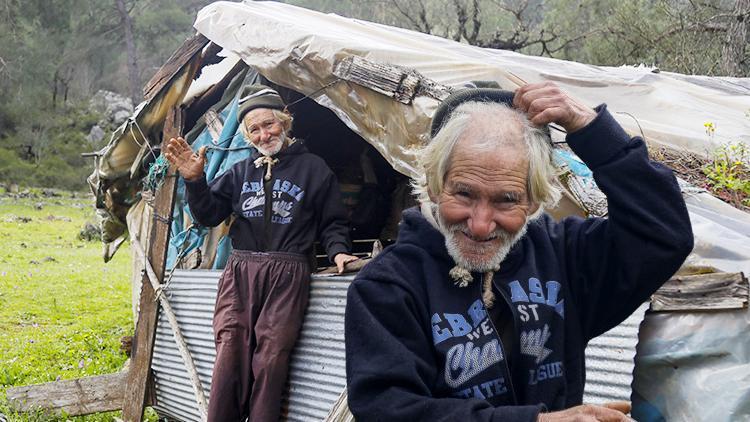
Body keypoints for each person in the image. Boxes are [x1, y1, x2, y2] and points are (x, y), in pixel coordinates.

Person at [344, 82, 693, 421]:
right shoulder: (386, 287)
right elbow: (388, 409)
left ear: (534, 201)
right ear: (435, 186)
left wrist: (592, 130)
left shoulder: (565, 257)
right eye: (464, 194)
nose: (480, 224)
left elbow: (662, 235)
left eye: (506, 200)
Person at [164, 84, 358, 421]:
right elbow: (209, 215)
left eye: (269, 124)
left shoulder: (314, 169)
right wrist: (195, 182)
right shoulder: (240, 172)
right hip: (240, 274)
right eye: (254, 129)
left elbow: (333, 222)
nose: (263, 134)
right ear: (247, 135)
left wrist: (339, 252)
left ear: (285, 122)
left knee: (271, 358)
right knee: (229, 353)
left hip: (287, 273)